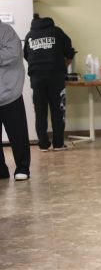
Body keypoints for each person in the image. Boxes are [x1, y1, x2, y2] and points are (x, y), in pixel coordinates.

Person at [24, 16, 75, 151]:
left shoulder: (30, 35)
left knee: (40, 112)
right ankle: (58, 144)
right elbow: (70, 52)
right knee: (58, 110)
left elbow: (26, 56)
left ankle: (43, 145)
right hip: (55, 78)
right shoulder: (57, 32)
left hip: (37, 79)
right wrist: (62, 66)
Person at [0, 20, 31, 181]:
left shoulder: (5, 30)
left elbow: (13, 53)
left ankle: (23, 167)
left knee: (18, 134)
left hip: (9, 93)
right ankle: (1, 170)